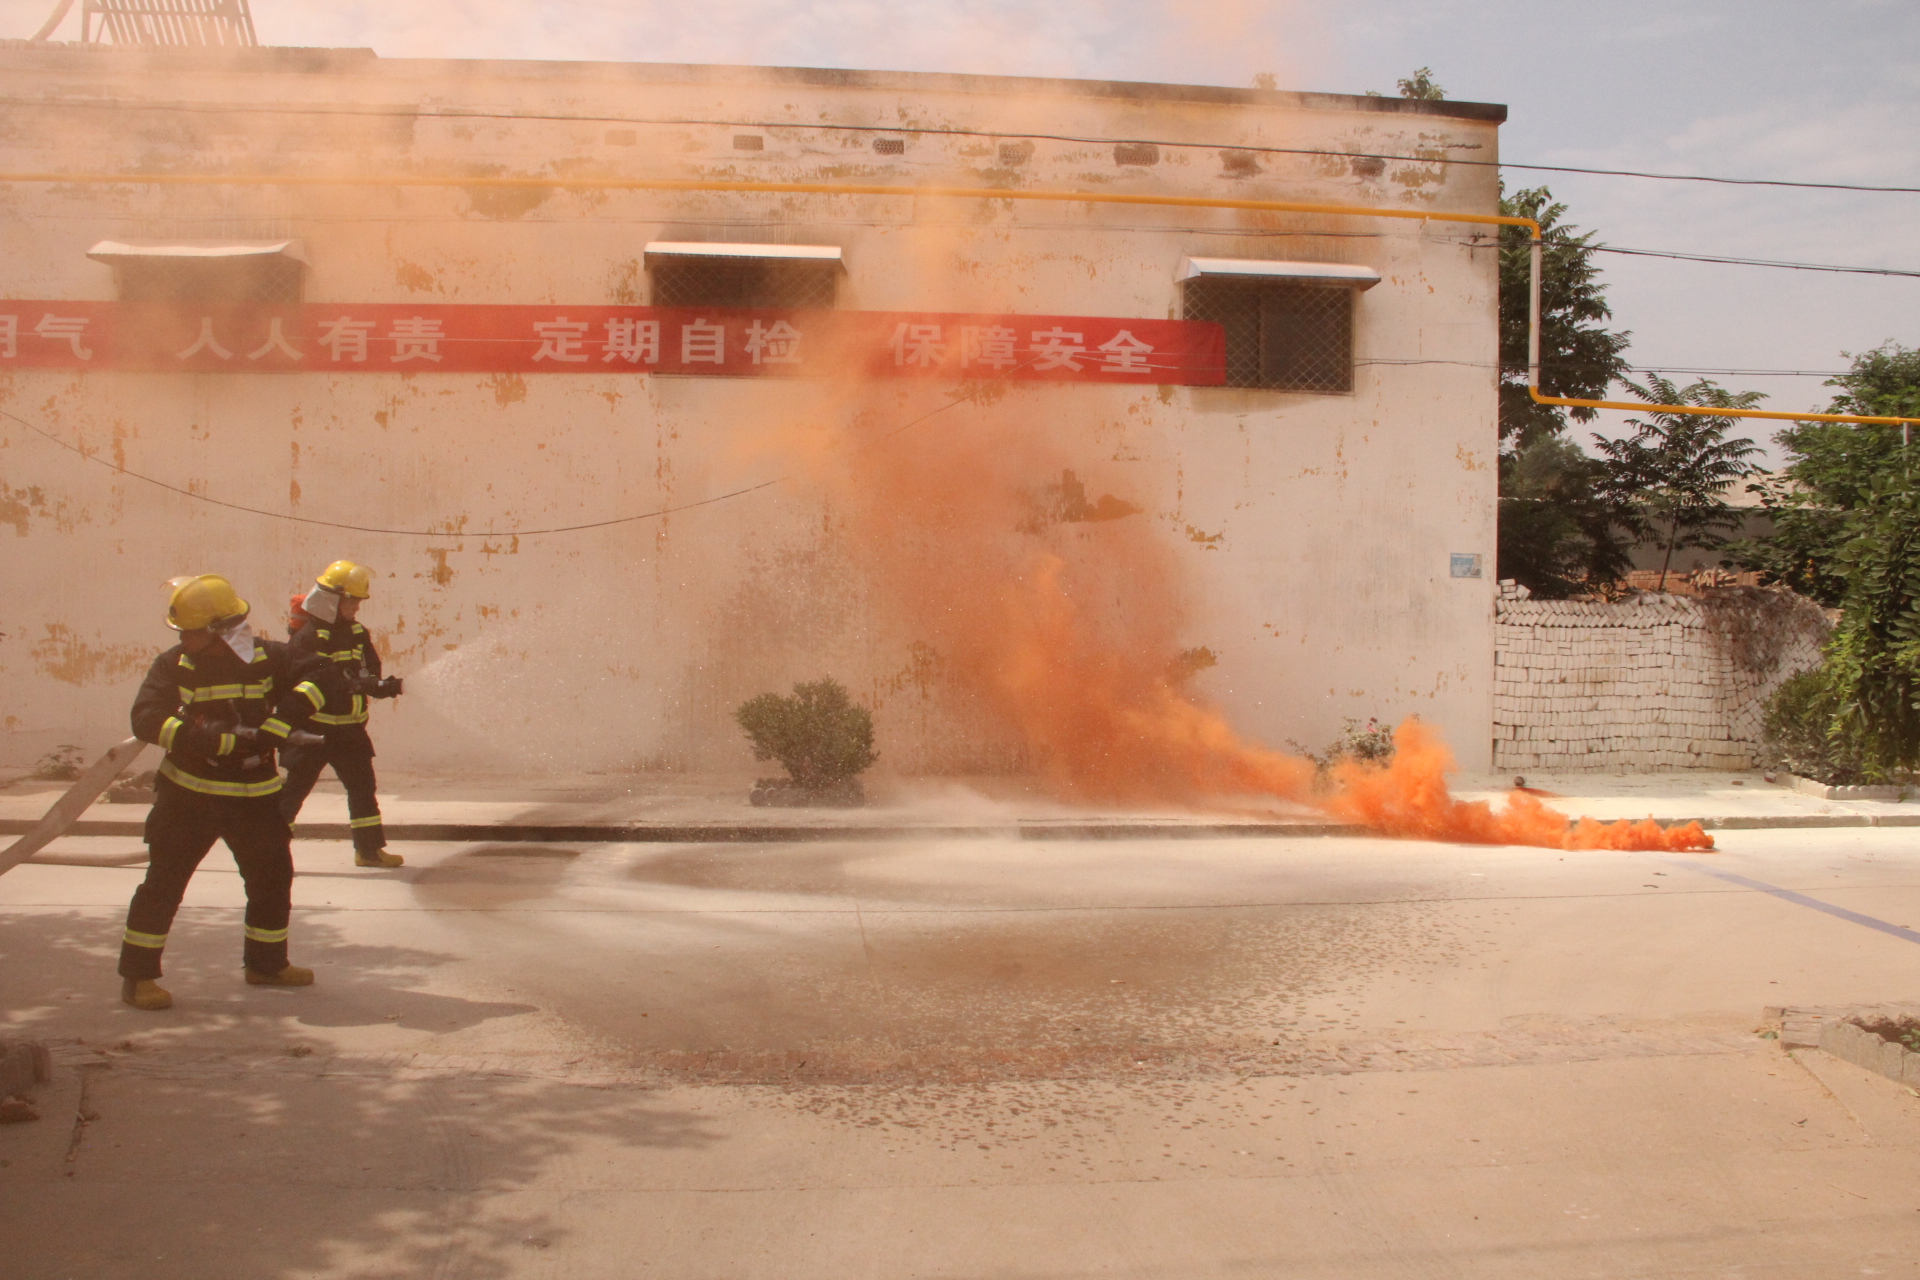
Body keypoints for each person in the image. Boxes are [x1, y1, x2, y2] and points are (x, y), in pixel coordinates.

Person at [120, 573, 331, 1011]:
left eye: (190, 632)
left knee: (272, 880)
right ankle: (138, 978)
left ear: (219, 631)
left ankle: (267, 965)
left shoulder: (269, 657)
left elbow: (323, 676)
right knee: (163, 885)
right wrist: (211, 737)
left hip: (255, 796)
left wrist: (285, 718)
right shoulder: (174, 665)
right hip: (188, 797)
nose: (183, 639)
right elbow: (146, 717)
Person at [279, 560, 405, 868]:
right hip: (313, 732)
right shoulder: (309, 637)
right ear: (331, 599)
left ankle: (369, 851)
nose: (357, 607)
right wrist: (354, 684)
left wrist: (378, 684)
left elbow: (371, 669)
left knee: (363, 789)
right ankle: (270, 852)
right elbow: (317, 678)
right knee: (294, 792)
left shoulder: (358, 632)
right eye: (352, 600)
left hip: (350, 731)